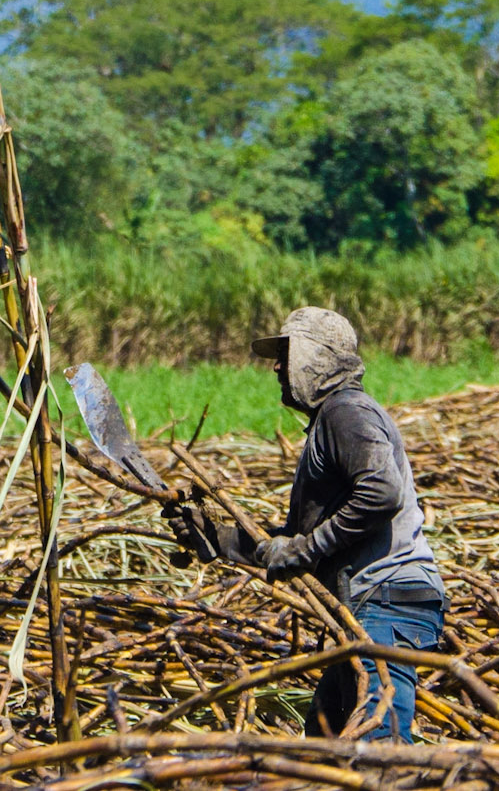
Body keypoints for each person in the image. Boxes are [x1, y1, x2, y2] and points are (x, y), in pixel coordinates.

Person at [164, 307, 447, 741]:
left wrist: (308, 549)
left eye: (287, 353)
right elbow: (294, 544)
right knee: (324, 740)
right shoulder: (329, 423)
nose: (277, 366)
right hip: (367, 606)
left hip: (387, 600)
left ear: (318, 357)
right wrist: (219, 538)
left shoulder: (346, 412)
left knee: (379, 742)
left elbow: (381, 492)